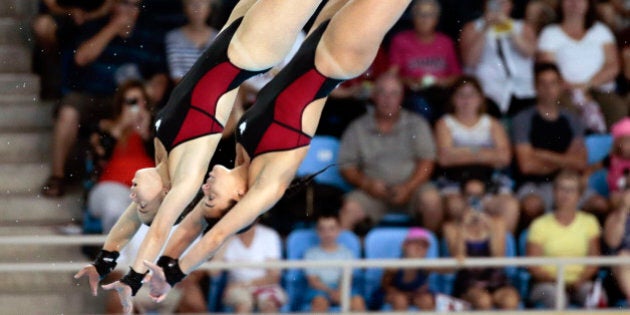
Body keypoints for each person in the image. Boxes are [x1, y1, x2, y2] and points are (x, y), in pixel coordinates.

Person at [143, 0, 414, 304]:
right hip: (336, 60)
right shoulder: (267, 184)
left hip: (317, 45)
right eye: (211, 197)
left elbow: (197, 224)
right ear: (238, 197)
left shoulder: (244, 156)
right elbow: (217, 235)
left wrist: (159, 264)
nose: (205, 188)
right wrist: (175, 274)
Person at [80, 0, 324, 312]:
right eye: (141, 202)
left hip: (232, 38)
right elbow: (194, 232)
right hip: (263, 51)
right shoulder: (191, 176)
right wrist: (139, 278)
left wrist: (104, 261)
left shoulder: (168, 158)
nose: (133, 196)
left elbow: (135, 222)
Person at [40, 0, 169, 197]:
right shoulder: (97, 25)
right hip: (93, 96)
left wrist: (143, 94)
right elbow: (81, 58)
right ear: (112, 6)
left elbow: (160, 80)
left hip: (128, 100)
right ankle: (57, 176)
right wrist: (113, 27)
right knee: (68, 110)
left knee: (150, 111)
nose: (129, 11)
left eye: (134, 6)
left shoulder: (148, 33)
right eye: (124, 4)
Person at [337, 73, 440, 233]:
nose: (388, 99)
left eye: (394, 93)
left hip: (413, 190)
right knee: (349, 209)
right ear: (373, 96)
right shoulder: (358, 127)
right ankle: (345, 255)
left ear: (401, 97)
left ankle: (431, 251)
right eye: (382, 93)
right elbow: (346, 166)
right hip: (372, 193)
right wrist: (367, 184)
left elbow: (427, 161)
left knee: (432, 201)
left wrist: (408, 187)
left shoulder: (416, 123)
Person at [512, 62, 606, 232]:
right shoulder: (523, 119)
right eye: (543, 83)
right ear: (535, 86)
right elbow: (527, 166)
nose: (548, 89)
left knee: (599, 205)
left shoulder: (572, 119)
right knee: (531, 206)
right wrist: (566, 160)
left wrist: (542, 155)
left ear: (561, 86)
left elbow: (580, 163)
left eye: (553, 83)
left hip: (569, 182)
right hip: (536, 185)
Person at [434, 76, 519, 233]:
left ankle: (500, 250)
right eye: (461, 95)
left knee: (510, 206)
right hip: (456, 185)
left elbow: (504, 157)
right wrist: (484, 153)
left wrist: (460, 152)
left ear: (480, 99)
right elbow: (444, 158)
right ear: (453, 99)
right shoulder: (445, 123)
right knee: (453, 206)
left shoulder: (492, 124)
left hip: (489, 182)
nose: (466, 101)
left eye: (471, 95)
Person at [538, 0, 627, 131]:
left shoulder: (600, 30)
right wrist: (575, 90)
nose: (574, 2)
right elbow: (548, 69)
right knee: (568, 110)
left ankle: (612, 148)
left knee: (617, 108)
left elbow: (612, 66)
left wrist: (587, 85)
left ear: (588, 4)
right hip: (564, 90)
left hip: (599, 88)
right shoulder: (550, 33)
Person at [526, 169, 603, 309]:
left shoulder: (590, 222)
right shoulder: (539, 224)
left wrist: (579, 281)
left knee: (597, 297)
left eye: (571, 190)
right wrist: (558, 282)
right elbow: (533, 266)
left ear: (579, 195)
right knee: (557, 298)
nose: (566, 194)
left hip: (580, 282)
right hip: (546, 284)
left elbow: (594, 260)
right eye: (562, 189)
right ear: (554, 192)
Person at [86, 80, 154, 233]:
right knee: (115, 208)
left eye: (140, 101)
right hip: (111, 187)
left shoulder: (155, 128)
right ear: (120, 104)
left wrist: (146, 133)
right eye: (131, 101)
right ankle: (114, 254)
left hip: (147, 191)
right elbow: (99, 157)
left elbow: (165, 159)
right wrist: (120, 127)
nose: (136, 106)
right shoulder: (105, 127)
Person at [460, 0, 537, 118]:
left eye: (503, 3)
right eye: (495, 3)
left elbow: (528, 52)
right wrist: (486, 27)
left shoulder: (523, 27)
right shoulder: (473, 27)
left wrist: (509, 28)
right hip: (488, 92)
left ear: (511, 6)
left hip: (522, 90)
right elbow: (470, 61)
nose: (499, 7)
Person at [388, 0, 461, 121]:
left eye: (429, 15)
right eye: (420, 14)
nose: (424, 19)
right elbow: (392, 75)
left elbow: (456, 76)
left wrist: (441, 82)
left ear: (437, 19)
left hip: (441, 92)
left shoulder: (445, 42)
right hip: (413, 94)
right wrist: (410, 81)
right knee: (420, 105)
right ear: (413, 17)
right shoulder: (401, 40)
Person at [443, 210, 520, 310]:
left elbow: (498, 259)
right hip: (468, 283)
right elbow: (459, 256)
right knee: (483, 301)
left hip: (495, 280)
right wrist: (462, 227)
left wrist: (491, 228)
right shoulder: (450, 227)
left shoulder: (497, 222)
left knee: (510, 300)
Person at [212, 223, 287, 313]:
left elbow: (274, 276)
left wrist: (247, 284)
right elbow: (213, 273)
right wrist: (225, 241)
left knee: (270, 306)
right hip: (236, 288)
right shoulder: (225, 237)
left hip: (262, 285)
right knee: (243, 304)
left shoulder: (269, 235)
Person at [376, 227, 435, 311]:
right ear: (404, 245)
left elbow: (424, 287)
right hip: (393, 294)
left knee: (427, 301)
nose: (419, 248)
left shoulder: (427, 267)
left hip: (415, 295)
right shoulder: (394, 267)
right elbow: (385, 286)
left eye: (424, 246)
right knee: (400, 300)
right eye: (415, 243)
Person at [165, 0, 218, 84]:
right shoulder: (174, 37)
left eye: (202, 2)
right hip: (184, 92)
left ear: (209, 7)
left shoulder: (219, 37)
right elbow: (176, 74)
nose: (197, 8)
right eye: (192, 3)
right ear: (184, 8)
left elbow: (218, 71)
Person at [603, 178, 630, 305]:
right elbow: (612, 243)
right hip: (619, 275)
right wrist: (623, 211)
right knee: (623, 256)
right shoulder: (614, 217)